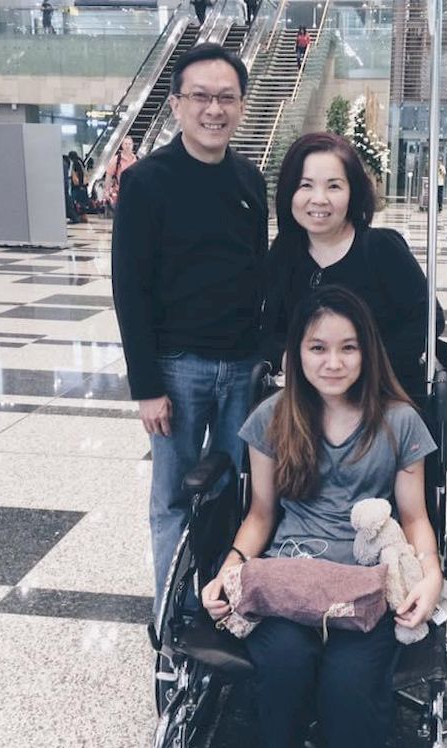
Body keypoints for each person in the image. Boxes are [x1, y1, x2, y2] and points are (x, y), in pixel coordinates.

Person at [202, 285, 443, 748]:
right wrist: (228, 571)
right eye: (318, 348)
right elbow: (260, 514)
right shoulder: (272, 417)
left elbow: (414, 518)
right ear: (296, 354)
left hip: (368, 581)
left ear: (367, 352)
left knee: (350, 686)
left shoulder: (400, 421)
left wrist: (430, 577)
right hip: (288, 575)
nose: (333, 363)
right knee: (285, 668)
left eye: (347, 348)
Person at [111, 43, 267, 614]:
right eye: (200, 96)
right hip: (178, 371)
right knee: (173, 498)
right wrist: (146, 386)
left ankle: (219, 604)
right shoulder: (148, 182)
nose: (214, 109)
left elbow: (259, 273)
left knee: (232, 495)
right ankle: (172, 617)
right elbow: (129, 288)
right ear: (176, 105)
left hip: (242, 367)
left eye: (226, 97)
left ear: (241, 106)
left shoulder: (250, 181)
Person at [261, 131, 442, 401]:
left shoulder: (382, 249)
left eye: (334, 186)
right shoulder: (284, 253)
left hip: (383, 402)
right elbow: (270, 332)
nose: (319, 199)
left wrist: (365, 368)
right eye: (305, 185)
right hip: (311, 407)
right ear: (289, 192)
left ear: (352, 192)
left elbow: (429, 321)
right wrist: (288, 359)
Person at [103, 135, 137, 214]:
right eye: (125, 144)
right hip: (120, 193)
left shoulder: (137, 160)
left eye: (129, 144)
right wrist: (106, 191)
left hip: (135, 192)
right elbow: (109, 176)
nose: (128, 146)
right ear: (122, 145)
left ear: (132, 145)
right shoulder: (116, 160)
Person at [68, 150, 88, 223]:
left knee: (75, 201)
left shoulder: (74, 163)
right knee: (82, 201)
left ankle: (77, 217)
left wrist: (79, 184)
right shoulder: (81, 162)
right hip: (83, 186)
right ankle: (83, 217)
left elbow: (78, 175)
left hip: (77, 186)